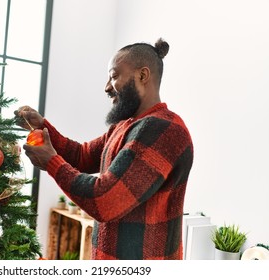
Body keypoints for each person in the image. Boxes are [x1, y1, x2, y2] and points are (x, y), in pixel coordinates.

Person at [15, 38, 194, 260]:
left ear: (142, 75)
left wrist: (51, 161)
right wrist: (43, 126)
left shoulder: (164, 130)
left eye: (114, 75)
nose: (107, 87)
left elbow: (104, 201)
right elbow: (81, 156)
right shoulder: (125, 125)